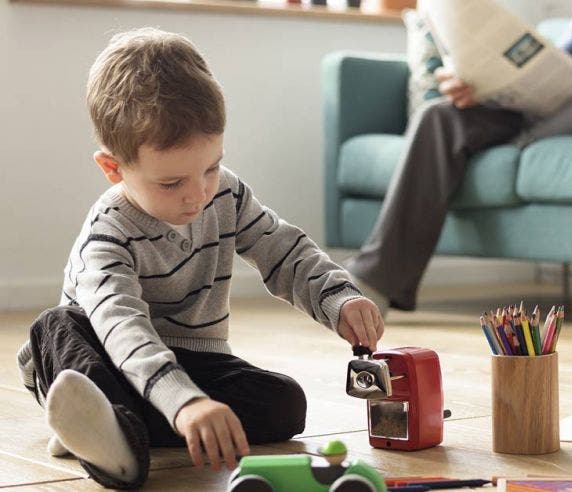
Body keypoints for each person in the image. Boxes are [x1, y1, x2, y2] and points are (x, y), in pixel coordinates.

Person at [14, 28, 384, 489]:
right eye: (171, 183)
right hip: (106, 356)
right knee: (57, 324)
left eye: (210, 167)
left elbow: (281, 249)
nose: (198, 195)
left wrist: (339, 298)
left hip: (190, 357)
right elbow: (122, 329)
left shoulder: (225, 193)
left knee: (284, 403)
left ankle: (113, 427)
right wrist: (186, 404)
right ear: (113, 168)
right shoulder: (107, 235)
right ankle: (102, 421)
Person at [345, 0, 572, 313]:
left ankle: (520, 143)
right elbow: (563, 62)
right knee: (439, 116)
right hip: (549, 111)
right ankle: (375, 279)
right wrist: (484, 86)